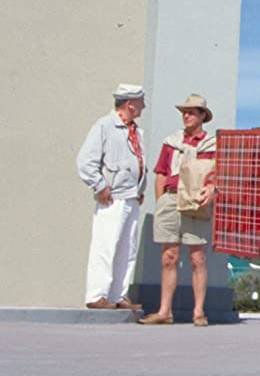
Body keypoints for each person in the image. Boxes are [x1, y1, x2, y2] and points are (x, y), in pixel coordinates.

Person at [138, 94, 217, 327]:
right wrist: (161, 201)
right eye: (184, 111)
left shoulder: (212, 144)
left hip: (195, 201)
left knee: (197, 258)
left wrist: (212, 190)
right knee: (168, 256)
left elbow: (218, 174)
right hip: (171, 199)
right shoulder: (171, 142)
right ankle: (164, 311)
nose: (187, 115)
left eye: (192, 112)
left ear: (202, 115)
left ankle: (199, 311)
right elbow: (161, 173)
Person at [76, 83, 147, 310]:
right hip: (113, 197)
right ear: (130, 104)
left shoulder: (136, 131)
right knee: (106, 246)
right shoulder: (105, 126)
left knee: (128, 248)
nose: (143, 106)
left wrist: (140, 187)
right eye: (140, 102)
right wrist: (99, 185)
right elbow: (85, 161)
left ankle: (118, 295)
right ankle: (97, 294)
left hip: (131, 196)